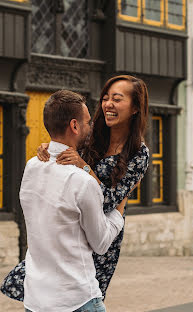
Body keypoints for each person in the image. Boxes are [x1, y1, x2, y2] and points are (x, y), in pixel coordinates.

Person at [1, 75, 149, 302]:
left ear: (136, 108)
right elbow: (64, 149)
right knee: (45, 287)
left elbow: (110, 202)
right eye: (106, 98)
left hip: (101, 232)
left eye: (117, 99)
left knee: (82, 297)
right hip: (68, 224)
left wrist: (85, 167)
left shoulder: (139, 153)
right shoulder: (91, 135)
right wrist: (49, 148)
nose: (108, 104)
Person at [19, 90, 126, 312]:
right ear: (75, 126)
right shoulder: (83, 182)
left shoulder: (31, 167)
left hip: (35, 300)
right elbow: (101, 243)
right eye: (88, 122)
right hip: (76, 301)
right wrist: (119, 207)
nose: (92, 126)